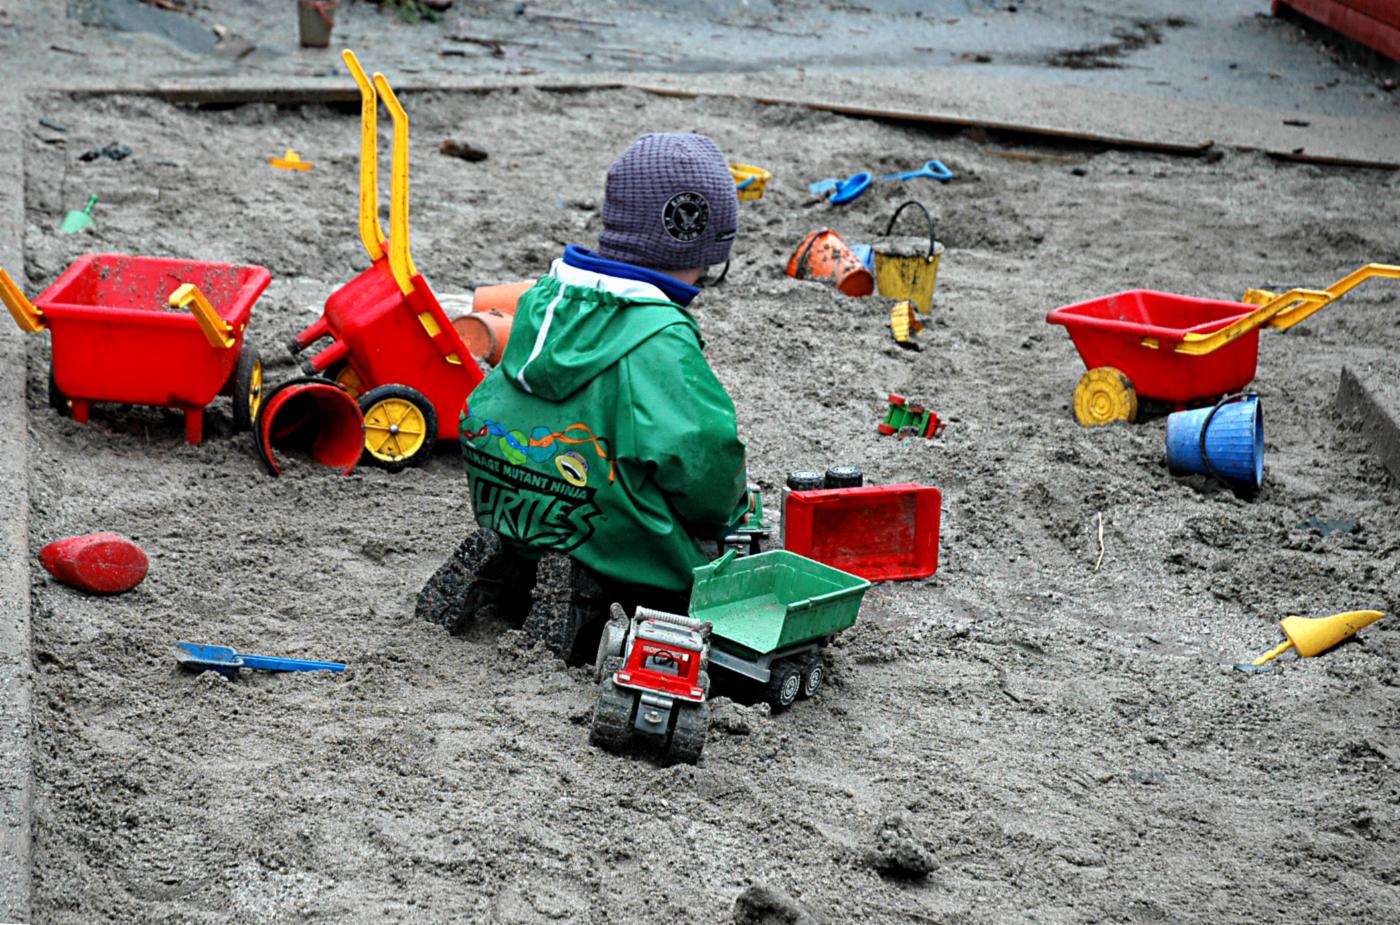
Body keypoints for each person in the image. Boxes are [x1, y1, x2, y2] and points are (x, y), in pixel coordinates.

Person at [418, 132, 750, 662]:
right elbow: (703, 453)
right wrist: (727, 512)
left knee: (563, 471)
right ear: (700, 248)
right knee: (690, 552)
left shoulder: (542, 298)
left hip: (505, 491)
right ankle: (587, 588)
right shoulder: (661, 336)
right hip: (597, 522)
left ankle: (514, 561)